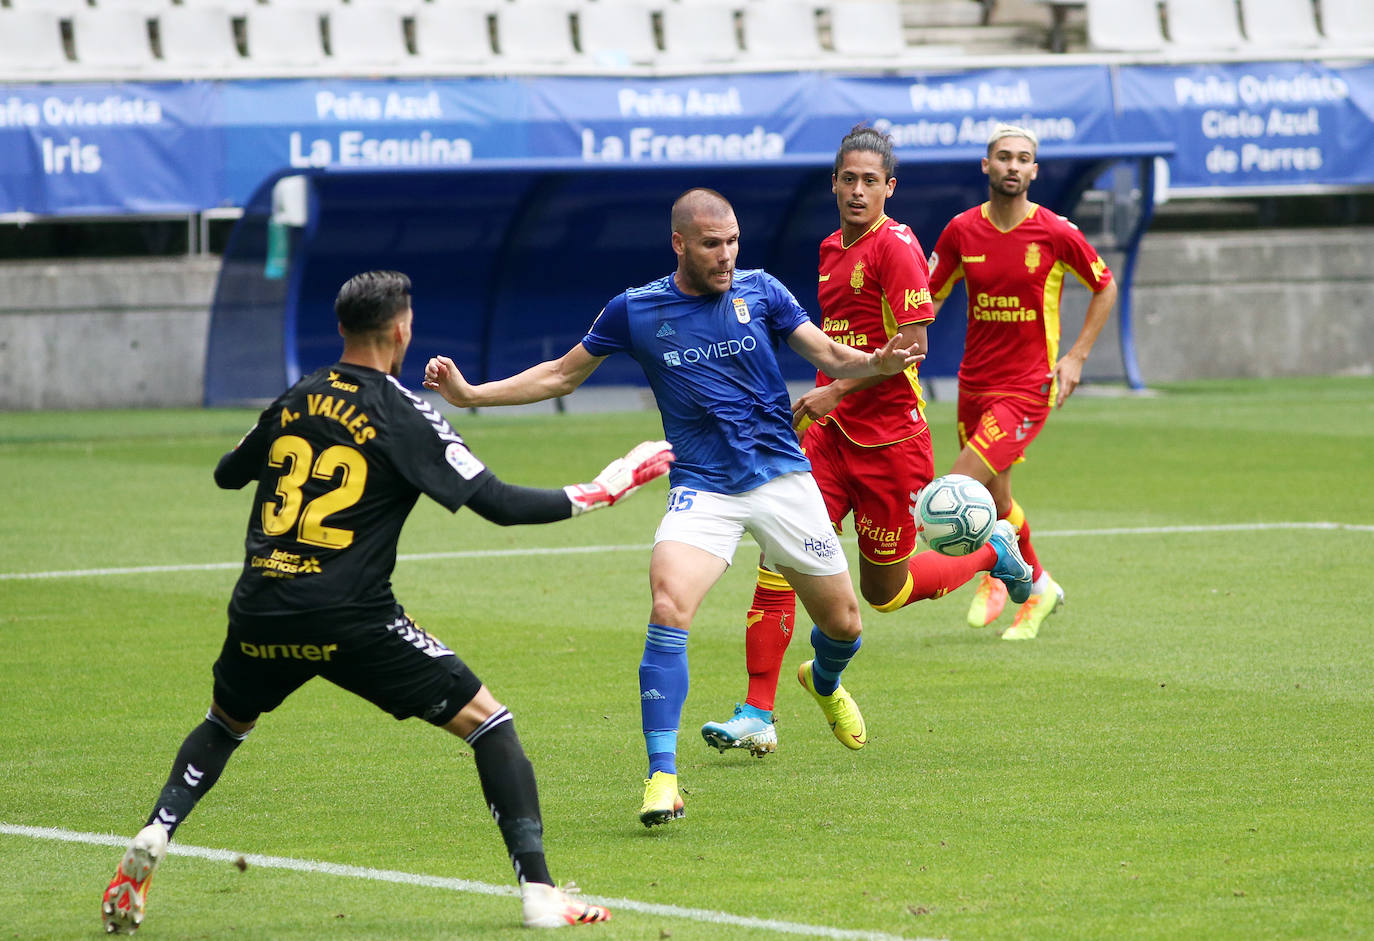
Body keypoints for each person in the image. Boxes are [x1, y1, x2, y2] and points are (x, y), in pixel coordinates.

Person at [99, 270, 674, 934]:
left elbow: (230, 472)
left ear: (341, 328)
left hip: (259, 608)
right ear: (401, 330)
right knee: (491, 724)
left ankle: (156, 832)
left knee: (225, 723)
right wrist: (603, 489)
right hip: (350, 618)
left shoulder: (297, 395)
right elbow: (498, 503)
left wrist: (269, 435)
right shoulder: (402, 412)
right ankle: (541, 893)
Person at [423, 188, 922, 828]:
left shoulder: (763, 291)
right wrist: (469, 395)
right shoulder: (635, 309)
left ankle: (822, 681)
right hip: (704, 488)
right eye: (712, 244)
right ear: (680, 244)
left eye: (733, 241)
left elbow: (825, 354)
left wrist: (875, 363)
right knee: (668, 605)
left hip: (781, 478)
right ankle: (662, 777)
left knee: (846, 624)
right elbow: (559, 376)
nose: (726, 256)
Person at [699, 125, 1033, 758]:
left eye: (870, 181)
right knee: (779, 556)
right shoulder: (831, 247)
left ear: (889, 188)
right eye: (847, 179)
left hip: (891, 444)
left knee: (886, 594)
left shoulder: (897, 249)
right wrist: (822, 401)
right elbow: (839, 342)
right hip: (828, 439)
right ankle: (757, 712)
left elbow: (914, 346)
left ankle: (992, 553)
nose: (857, 190)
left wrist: (832, 391)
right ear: (833, 184)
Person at [927, 124, 1119, 640]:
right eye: (1004, 157)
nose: (1013, 165)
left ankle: (998, 569)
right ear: (985, 166)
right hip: (975, 383)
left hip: (1028, 386)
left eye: (1023, 159)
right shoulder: (961, 231)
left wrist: (1076, 357)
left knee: (958, 487)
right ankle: (1036, 586)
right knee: (997, 497)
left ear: (1034, 171)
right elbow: (930, 297)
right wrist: (901, 355)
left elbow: (1105, 286)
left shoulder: (1055, 232)